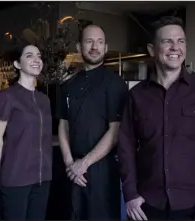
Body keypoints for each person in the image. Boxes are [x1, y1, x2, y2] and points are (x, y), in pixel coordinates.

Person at [117, 16, 195, 220]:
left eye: (181, 41)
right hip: (147, 205)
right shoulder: (137, 95)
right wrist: (130, 194)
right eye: (167, 41)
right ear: (152, 50)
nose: (175, 47)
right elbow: (125, 147)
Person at [56, 24, 128, 219]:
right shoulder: (68, 85)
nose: (94, 46)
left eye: (99, 42)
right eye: (89, 41)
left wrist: (84, 164)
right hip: (73, 170)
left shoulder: (116, 83)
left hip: (102, 171)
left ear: (105, 48)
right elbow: (63, 125)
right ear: (79, 47)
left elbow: (115, 131)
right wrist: (70, 162)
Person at [0, 42, 52, 220]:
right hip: (16, 180)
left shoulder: (44, 99)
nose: (36, 60)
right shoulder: (7, 97)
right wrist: (11, 167)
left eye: (39, 56)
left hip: (43, 178)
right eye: (29, 55)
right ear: (17, 64)